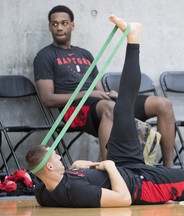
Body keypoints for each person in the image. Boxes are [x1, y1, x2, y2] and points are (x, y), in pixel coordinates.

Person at [26, 14, 184, 208]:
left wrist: (85, 165)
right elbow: (124, 199)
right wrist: (107, 165)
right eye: (56, 156)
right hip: (143, 182)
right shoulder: (72, 192)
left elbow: (52, 176)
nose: (61, 157)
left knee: (124, 106)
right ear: (50, 166)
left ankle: (133, 37)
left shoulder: (44, 189)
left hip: (121, 163)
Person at [33, 5, 175, 167]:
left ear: (72, 25)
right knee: (109, 107)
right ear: (49, 26)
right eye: (55, 23)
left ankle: (168, 168)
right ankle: (106, 168)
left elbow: (99, 90)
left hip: (100, 104)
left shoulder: (85, 54)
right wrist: (88, 94)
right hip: (73, 109)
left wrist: (108, 93)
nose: (59, 27)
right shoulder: (44, 56)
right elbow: (47, 99)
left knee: (163, 104)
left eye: (64, 23)